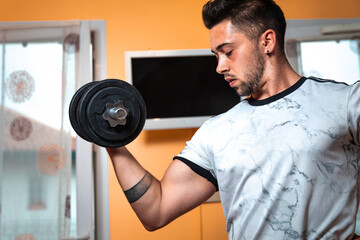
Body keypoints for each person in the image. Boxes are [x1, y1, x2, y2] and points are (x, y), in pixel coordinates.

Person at [107, 0, 360, 239]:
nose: (219, 67)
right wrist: (112, 141)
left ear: (267, 41)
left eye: (227, 52)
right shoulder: (217, 132)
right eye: (216, 56)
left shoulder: (344, 103)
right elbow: (156, 210)